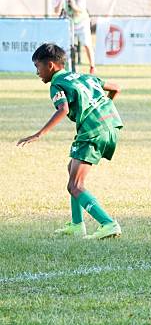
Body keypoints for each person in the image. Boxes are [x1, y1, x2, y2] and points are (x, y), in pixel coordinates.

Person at [17, 43, 123, 239]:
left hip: (92, 131)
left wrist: (39, 134)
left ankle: (108, 223)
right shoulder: (84, 76)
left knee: (75, 185)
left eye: (37, 66)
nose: (37, 72)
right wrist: (101, 110)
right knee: (71, 170)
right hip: (111, 125)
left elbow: (63, 109)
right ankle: (77, 224)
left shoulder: (57, 83)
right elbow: (115, 88)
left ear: (50, 65)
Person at [53, 0, 95, 74]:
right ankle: (69, 66)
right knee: (69, 46)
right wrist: (61, 1)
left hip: (82, 22)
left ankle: (92, 66)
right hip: (70, 24)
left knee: (87, 44)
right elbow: (56, 11)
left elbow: (80, 11)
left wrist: (72, 4)